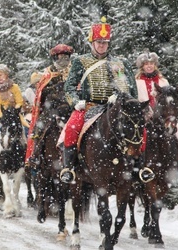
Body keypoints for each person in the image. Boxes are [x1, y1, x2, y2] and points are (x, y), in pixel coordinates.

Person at [60, 17, 138, 183]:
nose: (102, 45)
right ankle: (69, 167)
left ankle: (140, 167)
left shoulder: (119, 63)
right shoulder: (80, 61)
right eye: (99, 42)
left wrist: (118, 96)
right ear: (92, 42)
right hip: (89, 106)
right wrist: (75, 102)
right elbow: (69, 87)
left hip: (114, 108)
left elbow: (129, 89)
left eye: (105, 42)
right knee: (72, 128)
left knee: (138, 128)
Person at [135, 51, 178, 179]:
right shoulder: (137, 82)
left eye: (151, 64)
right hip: (144, 116)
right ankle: (137, 166)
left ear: (155, 65)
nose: (149, 66)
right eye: (146, 64)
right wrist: (145, 111)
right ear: (142, 66)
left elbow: (170, 100)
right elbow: (136, 99)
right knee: (137, 136)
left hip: (163, 117)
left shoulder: (163, 81)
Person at [25, 44, 74, 168]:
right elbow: (43, 91)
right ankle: (36, 154)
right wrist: (55, 90)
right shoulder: (49, 72)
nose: (64, 59)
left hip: (72, 105)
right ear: (55, 57)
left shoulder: (75, 70)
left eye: (66, 56)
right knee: (41, 124)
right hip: (53, 106)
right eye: (61, 56)